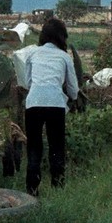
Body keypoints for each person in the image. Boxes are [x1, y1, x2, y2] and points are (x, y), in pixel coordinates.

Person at [24, 18, 79, 196]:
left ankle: (32, 191)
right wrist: (71, 96)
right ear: (62, 37)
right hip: (56, 104)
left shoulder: (32, 54)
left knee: (34, 147)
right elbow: (73, 90)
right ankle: (58, 189)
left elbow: (28, 83)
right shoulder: (64, 57)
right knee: (56, 147)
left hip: (33, 103)